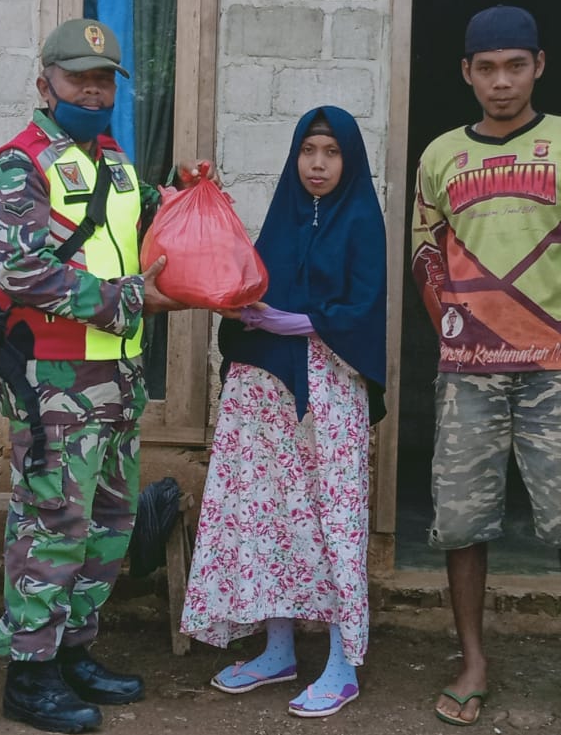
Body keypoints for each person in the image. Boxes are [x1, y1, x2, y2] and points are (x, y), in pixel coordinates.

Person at [0, 17, 206, 734]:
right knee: (52, 524)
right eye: (79, 78)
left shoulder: (113, 161)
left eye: (104, 80)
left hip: (116, 374)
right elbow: (20, 271)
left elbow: (136, 237)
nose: (94, 90)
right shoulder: (16, 165)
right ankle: (30, 673)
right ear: (44, 81)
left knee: (107, 524)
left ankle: (73, 652)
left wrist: (184, 203)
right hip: (55, 377)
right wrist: (127, 298)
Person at [411, 5, 561, 729]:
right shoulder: (439, 154)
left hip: (557, 363)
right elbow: (424, 254)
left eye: (515, 65)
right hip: (467, 367)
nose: (501, 82)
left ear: (539, 65)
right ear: (465, 73)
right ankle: (472, 658)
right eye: (486, 68)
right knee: (460, 520)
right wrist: (451, 329)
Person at [179, 106, 387, 719]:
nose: (317, 164)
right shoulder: (279, 220)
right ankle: (278, 650)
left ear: (349, 160)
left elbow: (363, 307)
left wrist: (291, 321)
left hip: (329, 391)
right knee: (267, 518)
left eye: (331, 152)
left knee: (333, 519)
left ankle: (343, 663)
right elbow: (247, 286)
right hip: (263, 391)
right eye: (307, 151)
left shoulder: (361, 222)